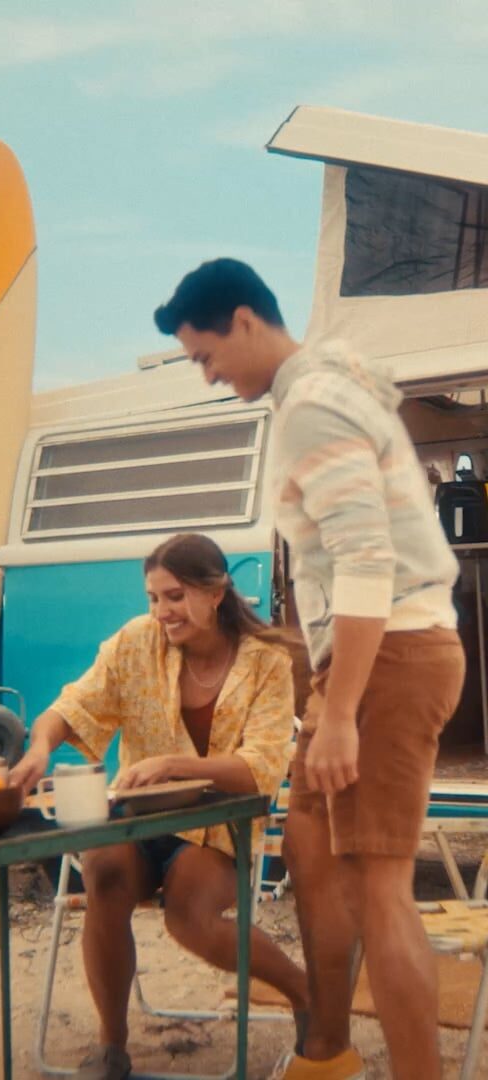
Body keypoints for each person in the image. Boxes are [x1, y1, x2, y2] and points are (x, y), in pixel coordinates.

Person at [154, 259, 466, 1080]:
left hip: (392, 652)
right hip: (375, 654)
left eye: (206, 355)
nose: (208, 375)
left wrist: (337, 712)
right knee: (312, 850)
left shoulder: (315, 406)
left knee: (381, 889)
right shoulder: (321, 392)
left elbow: (368, 560)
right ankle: (326, 1053)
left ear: (247, 320)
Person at [10, 532, 308, 1080]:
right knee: (103, 881)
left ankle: (302, 993)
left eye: (174, 596)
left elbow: (261, 770)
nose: (161, 611)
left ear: (215, 592)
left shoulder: (266, 662)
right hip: (136, 819)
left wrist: (176, 765)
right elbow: (74, 704)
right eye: (153, 597)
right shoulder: (135, 643)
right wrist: (38, 749)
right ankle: (112, 1044)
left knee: (189, 918)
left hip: (220, 828)